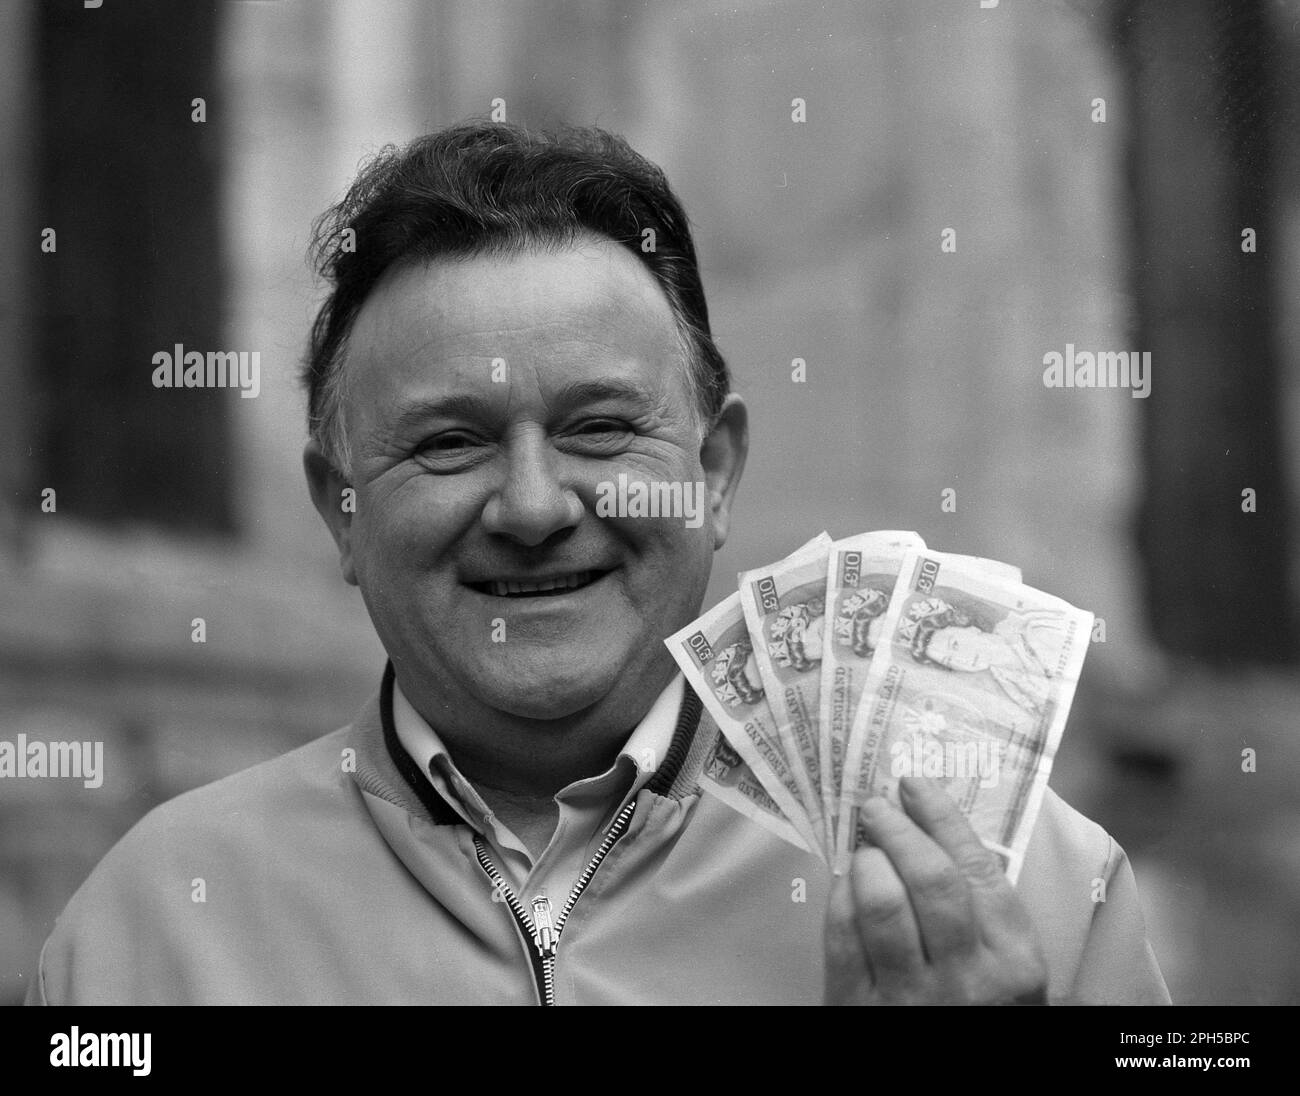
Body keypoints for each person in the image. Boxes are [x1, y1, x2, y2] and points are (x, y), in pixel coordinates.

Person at [25, 121, 1169, 1006]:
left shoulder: (1015, 886)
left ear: (715, 471)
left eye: (599, 428)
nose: (532, 506)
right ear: (341, 510)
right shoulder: (152, 923)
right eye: (449, 442)